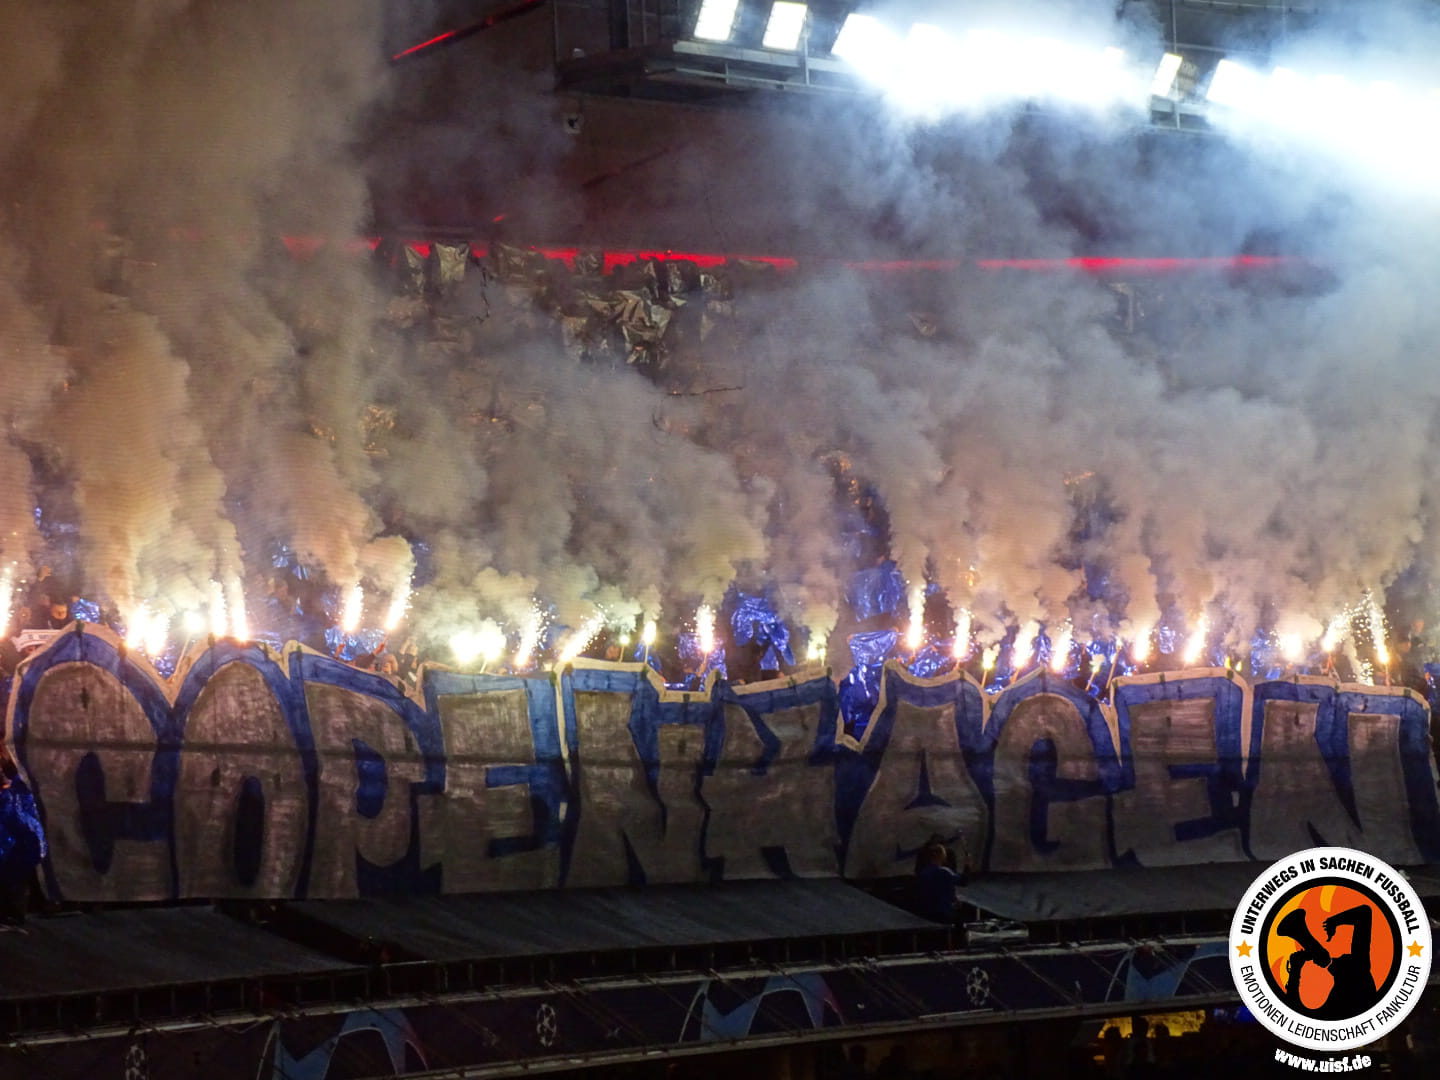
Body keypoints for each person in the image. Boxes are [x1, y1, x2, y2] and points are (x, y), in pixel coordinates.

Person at [0, 756, 46, 927]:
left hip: (19, 847)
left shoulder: (15, 793)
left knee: (13, 880)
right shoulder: (15, 790)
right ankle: (11, 915)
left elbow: (16, 819)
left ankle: (13, 917)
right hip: (18, 846)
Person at [913, 840, 964, 923]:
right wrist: (967, 866)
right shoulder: (944, 872)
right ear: (942, 856)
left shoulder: (923, 873)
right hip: (943, 911)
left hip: (926, 913)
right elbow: (963, 881)